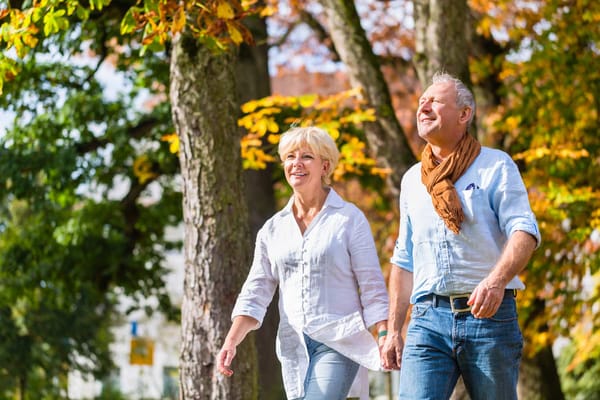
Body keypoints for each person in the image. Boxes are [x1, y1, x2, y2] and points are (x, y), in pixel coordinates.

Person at [381, 72, 541, 400]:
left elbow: (525, 231)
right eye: (421, 101)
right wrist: (394, 330)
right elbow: (404, 257)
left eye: (435, 101)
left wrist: (496, 281)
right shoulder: (412, 180)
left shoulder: (496, 166)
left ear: (464, 114)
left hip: (489, 317)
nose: (423, 106)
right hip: (427, 319)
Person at [216, 126, 389, 400]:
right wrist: (231, 340)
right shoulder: (273, 229)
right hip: (294, 345)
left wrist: (384, 335)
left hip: (338, 341)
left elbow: (372, 285)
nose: (296, 163)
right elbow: (256, 290)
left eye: (307, 156)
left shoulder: (348, 219)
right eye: (290, 157)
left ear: (325, 166)